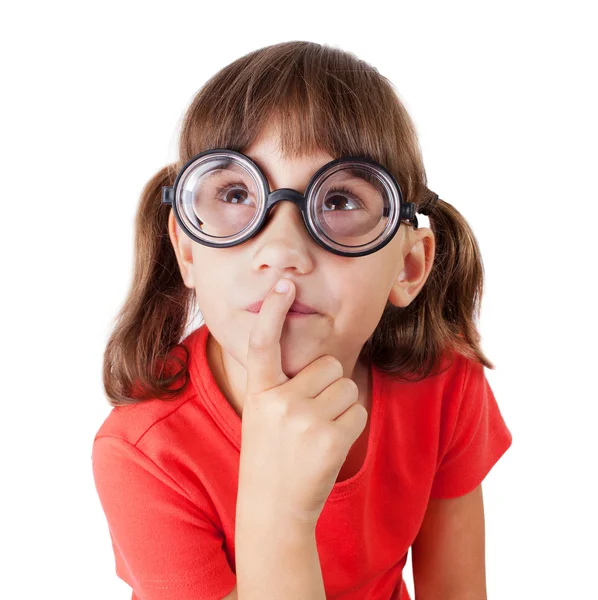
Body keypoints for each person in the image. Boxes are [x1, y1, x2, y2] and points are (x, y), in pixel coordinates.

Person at [92, 41, 512, 600]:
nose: (284, 249)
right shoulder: (144, 452)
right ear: (188, 252)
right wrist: (279, 509)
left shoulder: (444, 386)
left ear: (407, 266)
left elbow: (457, 591)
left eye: (338, 201)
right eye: (237, 193)